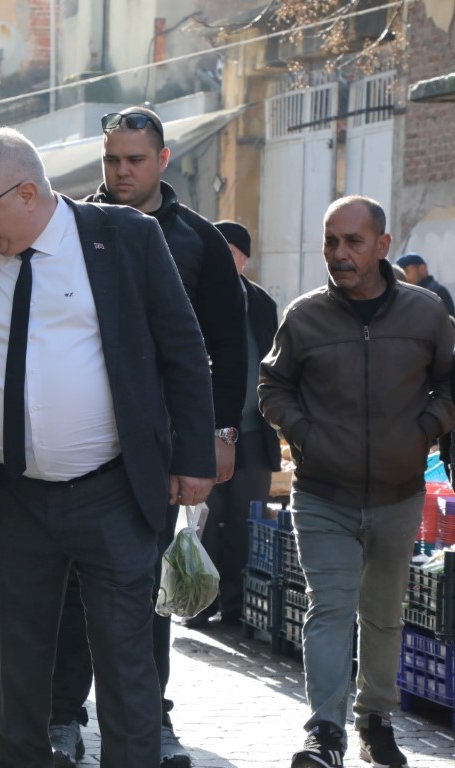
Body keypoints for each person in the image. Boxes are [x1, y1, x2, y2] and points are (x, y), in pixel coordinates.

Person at [0, 128, 216, 768]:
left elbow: (183, 351)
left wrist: (194, 457)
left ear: (27, 192)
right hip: (12, 497)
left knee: (124, 660)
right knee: (17, 664)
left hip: (111, 490)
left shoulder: (124, 240)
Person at [50, 106, 247, 768]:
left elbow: (224, 344)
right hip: (73, 438)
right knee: (72, 582)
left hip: (157, 450)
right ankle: (60, 713)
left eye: (135, 160)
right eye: (111, 160)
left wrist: (217, 435)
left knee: (149, 587)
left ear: (163, 160)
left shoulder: (198, 241)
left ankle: (150, 715)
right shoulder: (68, 227)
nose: (121, 172)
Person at [259, 195, 455, 768]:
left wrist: (427, 427)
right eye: (330, 242)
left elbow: (450, 382)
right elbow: (272, 386)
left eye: (352, 242)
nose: (338, 255)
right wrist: (306, 434)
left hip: (398, 493)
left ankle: (375, 719)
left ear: (383, 246)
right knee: (330, 608)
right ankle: (325, 732)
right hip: (323, 494)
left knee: (384, 613)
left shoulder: (425, 315)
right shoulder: (305, 316)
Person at [185, 221, 282, 628]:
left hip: (253, 434)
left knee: (244, 523)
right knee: (206, 521)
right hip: (205, 431)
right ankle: (200, 601)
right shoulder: (193, 296)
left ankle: (239, 606)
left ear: (244, 258)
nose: (224, 260)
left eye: (231, 252)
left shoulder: (260, 303)